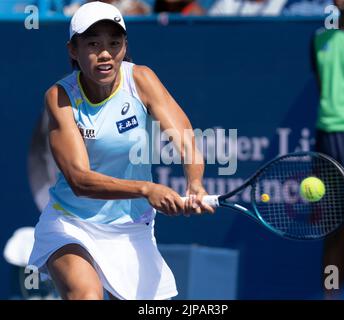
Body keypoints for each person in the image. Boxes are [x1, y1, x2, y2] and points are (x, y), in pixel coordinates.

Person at [28, 1, 214, 300]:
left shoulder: (141, 79)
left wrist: (195, 183)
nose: (105, 53)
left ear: (125, 47)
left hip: (132, 228)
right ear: (73, 50)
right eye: (93, 44)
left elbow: (186, 140)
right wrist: (146, 189)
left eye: (114, 43)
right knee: (86, 296)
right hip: (71, 223)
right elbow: (79, 179)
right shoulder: (60, 96)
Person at [311, 0, 344, 299]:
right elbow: (323, 86)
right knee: (334, 231)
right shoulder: (319, 40)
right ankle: (331, 296)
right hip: (328, 141)